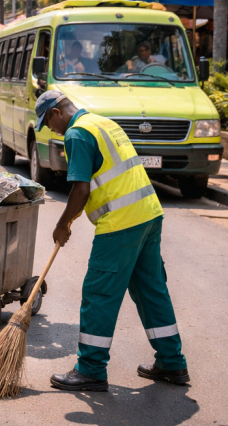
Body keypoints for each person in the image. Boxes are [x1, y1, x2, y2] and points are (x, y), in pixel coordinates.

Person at [35, 90, 188, 392]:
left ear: (56, 112)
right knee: (150, 290)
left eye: (47, 123)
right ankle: (172, 361)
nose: (50, 129)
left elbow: (80, 190)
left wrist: (62, 224)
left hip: (121, 224)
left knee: (99, 294)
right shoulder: (103, 123)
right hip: (148, 215)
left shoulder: (77, 134)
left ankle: (90, 369)